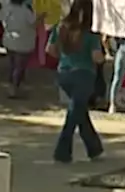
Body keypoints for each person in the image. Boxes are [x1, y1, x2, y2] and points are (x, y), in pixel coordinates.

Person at [47, 0, 105, 163]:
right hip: (85, 75)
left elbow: (50, 50)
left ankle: (95, 148)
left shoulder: (61, 27)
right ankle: (62, 151)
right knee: (74, 114)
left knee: (79, 111)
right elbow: (96, 57)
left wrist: (65, 58)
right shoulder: (91, 32)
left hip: (64, 74)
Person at [0, 0, 38, 98]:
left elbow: (0, 18)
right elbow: (34, 23)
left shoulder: (7, 9)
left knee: (13, 65)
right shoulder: (25, 11)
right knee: (19, 66)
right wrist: (42, 17)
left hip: (9, 39)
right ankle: (14, 88)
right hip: (22, 41)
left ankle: (13, 86)